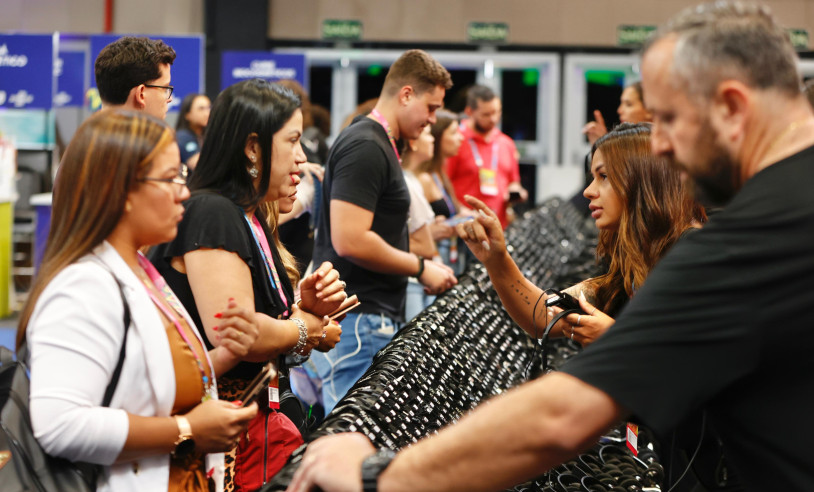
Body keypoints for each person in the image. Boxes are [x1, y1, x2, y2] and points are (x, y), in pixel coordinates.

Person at [286, 2, 814, 491]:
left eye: (670, 120)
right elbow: (550, 317)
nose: (662, 147)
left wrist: (375, 473)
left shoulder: (745, 243)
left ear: (731, 106)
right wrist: (497, 262)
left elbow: (562, 419)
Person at [19, 109, 258, 491]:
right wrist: (186, 430)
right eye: (169, 179)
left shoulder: (138, 270)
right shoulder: (84, 285)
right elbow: (60, 424)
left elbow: (147, 385)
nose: (183, 190)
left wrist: (230, 353)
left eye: (181, 176)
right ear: (121, 192)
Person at [149, 79, 346, 489]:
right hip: (219, 444)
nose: (302, 155)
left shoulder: (246, 215)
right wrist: (305, 326)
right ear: (253, 147)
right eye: (292, 141)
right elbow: (238, 336)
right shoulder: (214, 212)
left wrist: (297, 312)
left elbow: (259, 325)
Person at [310, 50, 458, 413]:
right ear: (406, 94)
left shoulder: (380, 144)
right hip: (359, 323)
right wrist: (421, 268)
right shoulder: (366, 145)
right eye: (431, 107)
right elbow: (350, 239)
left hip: (367, 320)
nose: (432, 120)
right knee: (350, 442)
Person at [446, 85, 527, 229]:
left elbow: (513, 181)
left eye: (497, 112)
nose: (493, 119)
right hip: (465, 227)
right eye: (486, 114)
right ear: (469, 112)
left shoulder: (506, 143)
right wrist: (460, 211)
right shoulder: (456, 140)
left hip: (499, 227)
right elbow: (443, 185)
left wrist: (516, 192)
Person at [416, 109, 467, 274]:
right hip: (430, 266)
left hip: (446, 260)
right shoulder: (423, 179)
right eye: (454, 132)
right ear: (437, 137)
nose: (461, 137)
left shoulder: (439, 173)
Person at [401, 125, 442, 321]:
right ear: (413, 143)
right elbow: (425, 245)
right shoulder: (406, 181)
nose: (433, 140)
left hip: (421, 273)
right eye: (427, 134)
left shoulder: (414, 180)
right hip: (412, 278)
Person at [94, 36, 176, 120]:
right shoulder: (162, 132)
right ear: (141, 94)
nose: (170, 99)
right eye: (165, 89)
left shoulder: (86, 132)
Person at [582, 82, 653, 145]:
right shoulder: (626, 143)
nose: (619, 110)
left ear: (649, 110)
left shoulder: (659, 147)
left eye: (628, 104)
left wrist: (603, 146)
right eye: (621, 103)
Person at [175, 93, 211, 169]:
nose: (207, 113)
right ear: (187, 114)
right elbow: (200, 166)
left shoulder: (205, 136)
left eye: (209, 108)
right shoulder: (183, 136)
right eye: (201, 109)